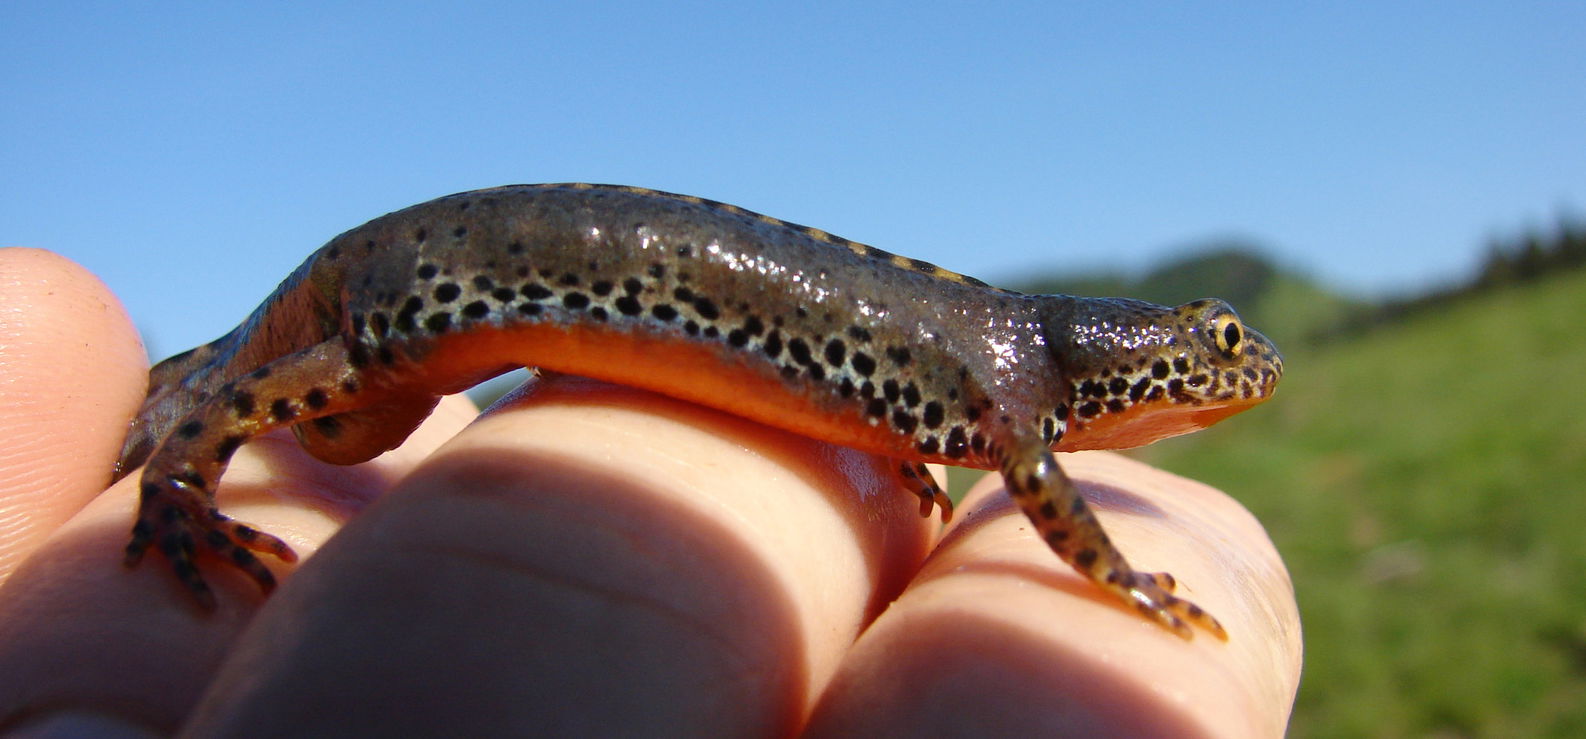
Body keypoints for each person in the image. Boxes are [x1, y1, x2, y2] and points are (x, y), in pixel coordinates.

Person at [0, 248, 1300, 736]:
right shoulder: (1008, 377)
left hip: (447, 273)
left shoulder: (995, 374)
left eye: (1219, 345)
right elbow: (1048, 498)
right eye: (1212, 343)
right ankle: (176, 478)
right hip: (429, 277)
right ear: (1132, 348)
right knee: (335, 368)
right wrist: (1122, 577)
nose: (1223, 367)